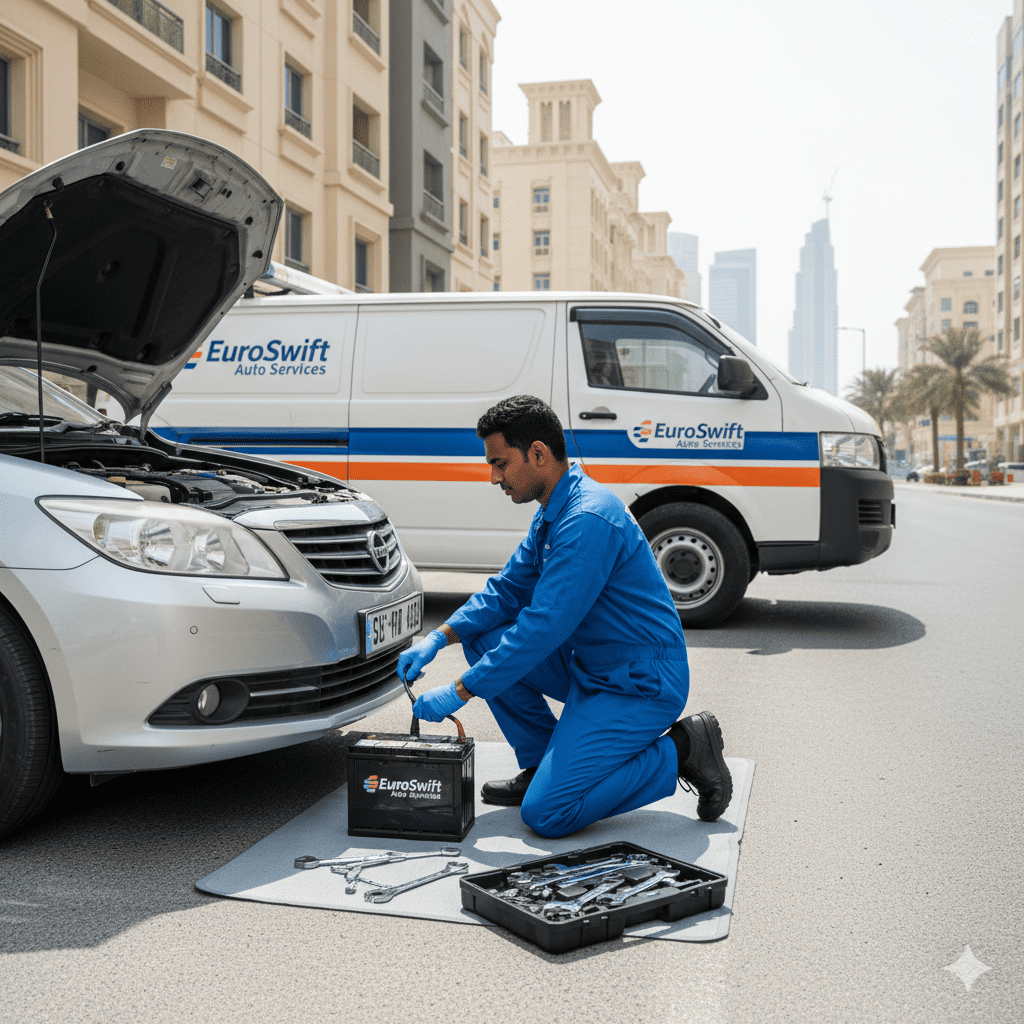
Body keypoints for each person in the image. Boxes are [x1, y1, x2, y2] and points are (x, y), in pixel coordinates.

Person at [398, 395, 732, 839]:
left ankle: (684, 748)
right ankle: (540, 765)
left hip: (639, 684)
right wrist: (439, 637)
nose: (493, 477)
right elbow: (508, 590)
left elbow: (543, 626)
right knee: (483, 639)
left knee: (547, 814)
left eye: (499, 463)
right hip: (592, 667)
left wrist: (460, 691)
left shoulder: (587, 518)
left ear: (538, 453)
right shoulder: (552, 513)